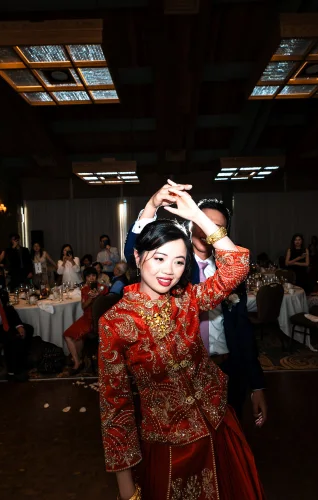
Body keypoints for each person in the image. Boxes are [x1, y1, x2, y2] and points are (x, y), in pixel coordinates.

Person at [100, 185, 265, 500]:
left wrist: (198, 217)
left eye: (178, 262)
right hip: (170, 444)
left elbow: (237, 267)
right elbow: (115, 409)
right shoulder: (115, 323)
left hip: (218, 426)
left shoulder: (188, 298)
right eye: (159, 258)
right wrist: (126, 490)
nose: (169, 271)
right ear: (137, 255)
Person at [125, 185, 267, 425]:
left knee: (225, 440)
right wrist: (151, 205)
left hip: (227, 369)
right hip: (180, 375)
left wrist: (257, 385)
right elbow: (135, 254)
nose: (205, 229)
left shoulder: (229, 274)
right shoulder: (172, 271)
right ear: (190, 224)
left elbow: (243, 330)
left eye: (215, 226)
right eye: (199, 221)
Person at [63, 267, 108, 375]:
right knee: (68, 335)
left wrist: (99, 295)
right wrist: (91, 298)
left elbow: (108, 298)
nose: (91, 278)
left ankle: (78, 362)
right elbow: (83, 306)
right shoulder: (84, 290)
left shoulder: (102, 287)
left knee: (74, 336)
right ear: (85, 278)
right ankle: (78, 361)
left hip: (98, 319)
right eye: (88, 276)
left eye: (93, 275)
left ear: (96, 276)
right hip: (86, 318)